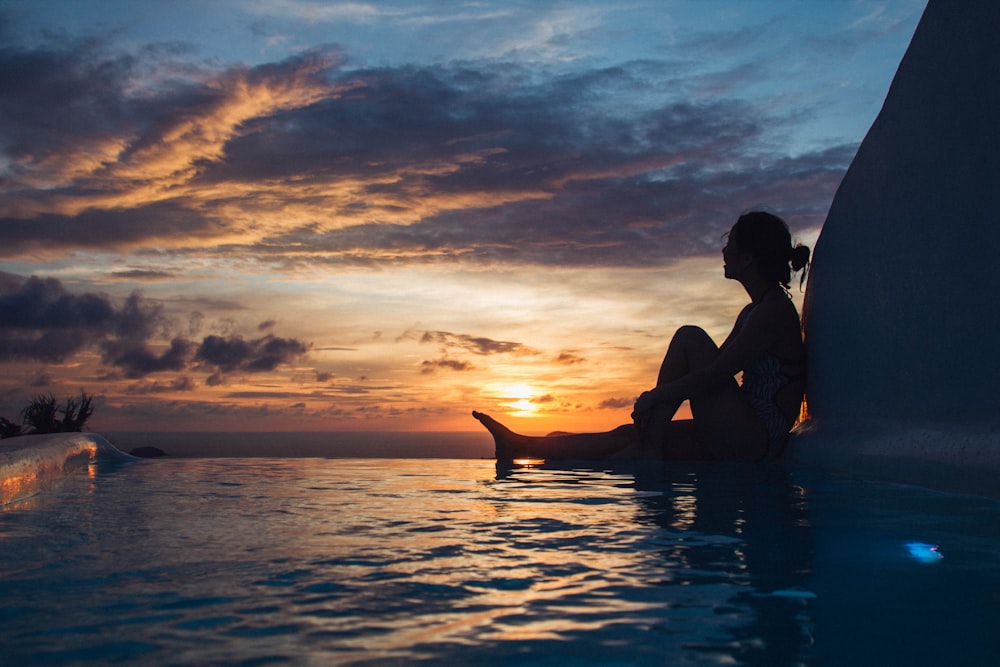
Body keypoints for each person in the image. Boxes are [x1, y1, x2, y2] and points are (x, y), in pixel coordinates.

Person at [473, 210, 810, 463]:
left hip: (757, 440)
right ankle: (521, 446)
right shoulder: (755, 311)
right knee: (627, 435)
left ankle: (648, 448)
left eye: (730, 244)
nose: (723, 251)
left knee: (689, 336)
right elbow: (712, 371)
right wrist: (658, 406)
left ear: (748, 259)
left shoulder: (774, 311)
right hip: (741, 430)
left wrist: (656, 396)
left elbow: (714, 375)